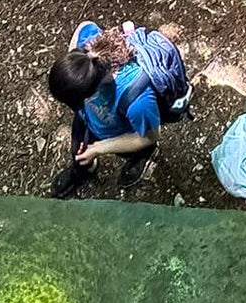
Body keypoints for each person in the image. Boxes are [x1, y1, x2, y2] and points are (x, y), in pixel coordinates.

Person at [47, 21, 161, 198]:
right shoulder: (86, 53)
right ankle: (83, 171)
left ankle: (137, 161)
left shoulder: (138, 100)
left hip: (124, 131)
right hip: (91, 119)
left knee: (135, 152)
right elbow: (84, 25)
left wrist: (99, 148)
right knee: (77, 152)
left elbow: (149, 136)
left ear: (90, 93)